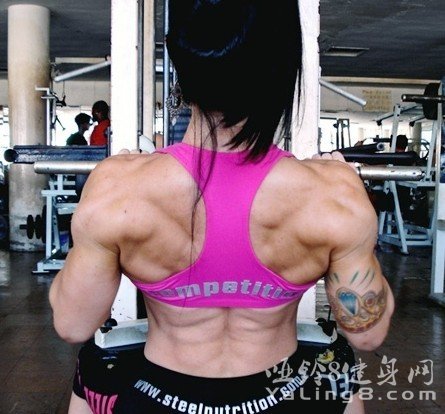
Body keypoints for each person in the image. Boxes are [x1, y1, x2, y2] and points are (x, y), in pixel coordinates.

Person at [49, 1, 394, 413]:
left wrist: (109, 188)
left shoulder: (118, 187)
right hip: (280, 395)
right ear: (283, 64)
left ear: (180, 63)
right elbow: (368, 334)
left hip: (162, 399)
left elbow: (72, 324)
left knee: (93, 366)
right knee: (341, 372)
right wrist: (351, 190)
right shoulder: (333, 194)